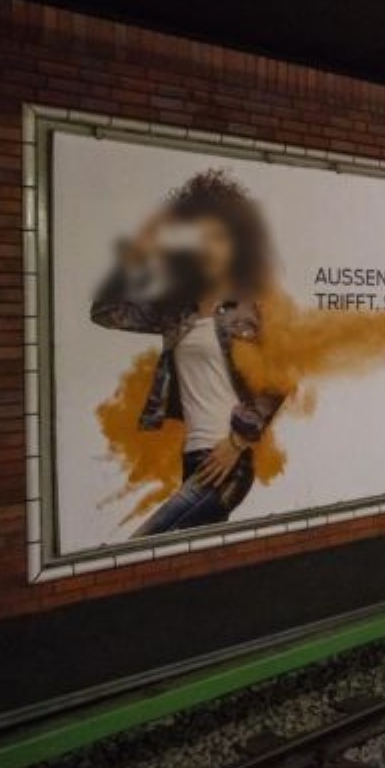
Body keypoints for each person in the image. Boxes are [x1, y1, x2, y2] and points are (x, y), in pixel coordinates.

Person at [91, 169, 284, 537]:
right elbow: (106, 311)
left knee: (142, 546)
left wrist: (237, 442)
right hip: (193, 457)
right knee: (190, 555)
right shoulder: (178, 309)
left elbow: (280, 379)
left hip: (228, 461)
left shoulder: (251, 308)